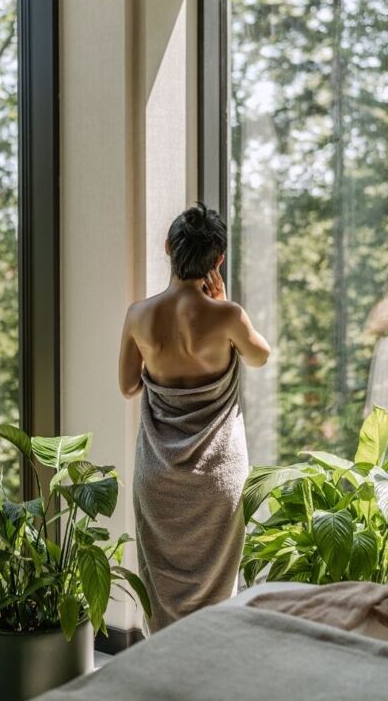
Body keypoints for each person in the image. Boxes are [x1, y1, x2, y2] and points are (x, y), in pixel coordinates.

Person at [119, 204, 271, 631]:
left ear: (168, 248)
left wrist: (161, 367)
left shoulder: (139, 315)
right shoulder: (228, 316)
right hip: (218, 473)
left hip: (158, 473)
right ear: (218, 259)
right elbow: (260, 356)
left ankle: (164, 665)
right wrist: (221, 306)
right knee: (219, 589)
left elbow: (128, 387)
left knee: (160, 583)